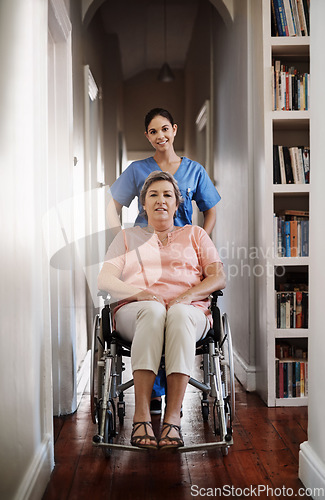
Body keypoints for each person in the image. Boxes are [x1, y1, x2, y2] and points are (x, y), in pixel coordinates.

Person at [98, 171, 226, 450]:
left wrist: (186, 296)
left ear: (178, 203)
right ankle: (141, 415)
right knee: (154, 311)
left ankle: (172, 419)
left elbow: (218, 277)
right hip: (137, 311)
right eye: (153, 195)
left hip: (189, 311)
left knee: (178, 314)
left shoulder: (196, 234)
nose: (161, 200)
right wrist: (142, 294)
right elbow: (104, 280)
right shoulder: (126, 237)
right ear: (143, 203)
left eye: (168, 194)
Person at [107, 108, 221, 413]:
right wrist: (123, 241)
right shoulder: (136, 169)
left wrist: (198, 240)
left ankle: (172, 399)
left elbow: (210, 211)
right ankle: (153, 397)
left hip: (184, 256)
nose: (160, 136)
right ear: (147, 135)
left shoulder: (194, 170)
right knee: (152, 311)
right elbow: (112, 206)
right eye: (153, 131)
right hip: (145, 254)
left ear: (175, 130)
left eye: (165, 129)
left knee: (178, 314)